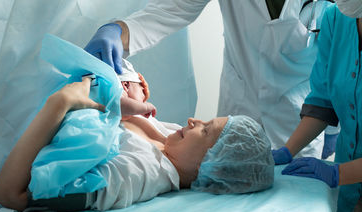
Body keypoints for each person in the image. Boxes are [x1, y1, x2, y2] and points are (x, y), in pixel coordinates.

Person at [84, 0, 338, 161]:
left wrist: (334, 127)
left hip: (301, 120)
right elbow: (174, 8)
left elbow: (343, 57)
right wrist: (120, 31)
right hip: (239, 107)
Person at [0, 75, 274, 212]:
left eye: (205, 130)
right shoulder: (171, 140)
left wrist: (60, 104)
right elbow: (117, 119)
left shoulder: (135, 174)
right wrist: (133, 95)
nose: (192, 120)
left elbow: (10, 195)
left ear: (211, 166)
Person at [272, 3, 362, 212]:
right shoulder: (336, 18)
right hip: (351, 192)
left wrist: (337, 173)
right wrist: (288, 150)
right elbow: (323, 102)